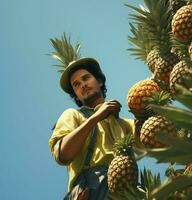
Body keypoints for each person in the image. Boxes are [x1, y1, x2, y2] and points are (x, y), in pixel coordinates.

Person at [49, 58, 138, 200]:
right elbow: (63, 155)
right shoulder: (73, 115)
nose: (83, 85)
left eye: (86, 78)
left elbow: (155, 139)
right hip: (92, 186)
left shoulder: (124, 124)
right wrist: (95, 118)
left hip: (127, 185)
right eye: (76, 84)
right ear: (76, 94)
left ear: (99, 81)